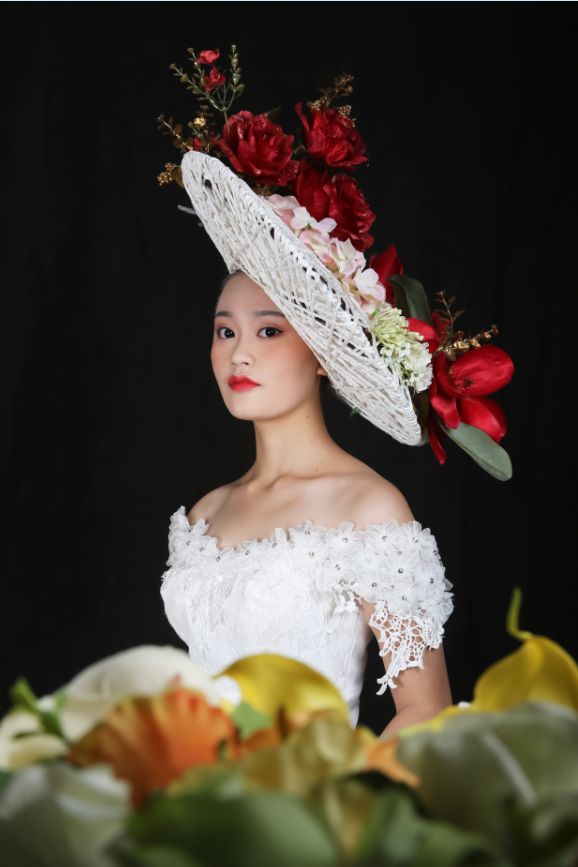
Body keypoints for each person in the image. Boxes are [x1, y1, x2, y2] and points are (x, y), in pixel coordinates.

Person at [159, 59, 512, 732]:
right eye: (225, 330)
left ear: (321, 354)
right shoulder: (205, 515)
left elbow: (424, 712)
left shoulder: (369, 509)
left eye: (268, 330)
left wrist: (333, 791)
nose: (239, 352)